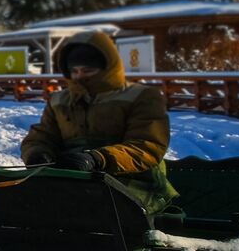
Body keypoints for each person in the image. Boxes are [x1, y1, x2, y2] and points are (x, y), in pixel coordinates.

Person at [21, 30, 177, 213]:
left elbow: (147, 145)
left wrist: (98, 158)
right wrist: (37, 154)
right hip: (72, 179)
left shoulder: (141, 97)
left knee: (101, 211)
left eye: (88, 70)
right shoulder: (60, 100)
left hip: (134, 180)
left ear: (107, 68)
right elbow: (41, 136)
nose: (80, 77)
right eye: (75, 71)